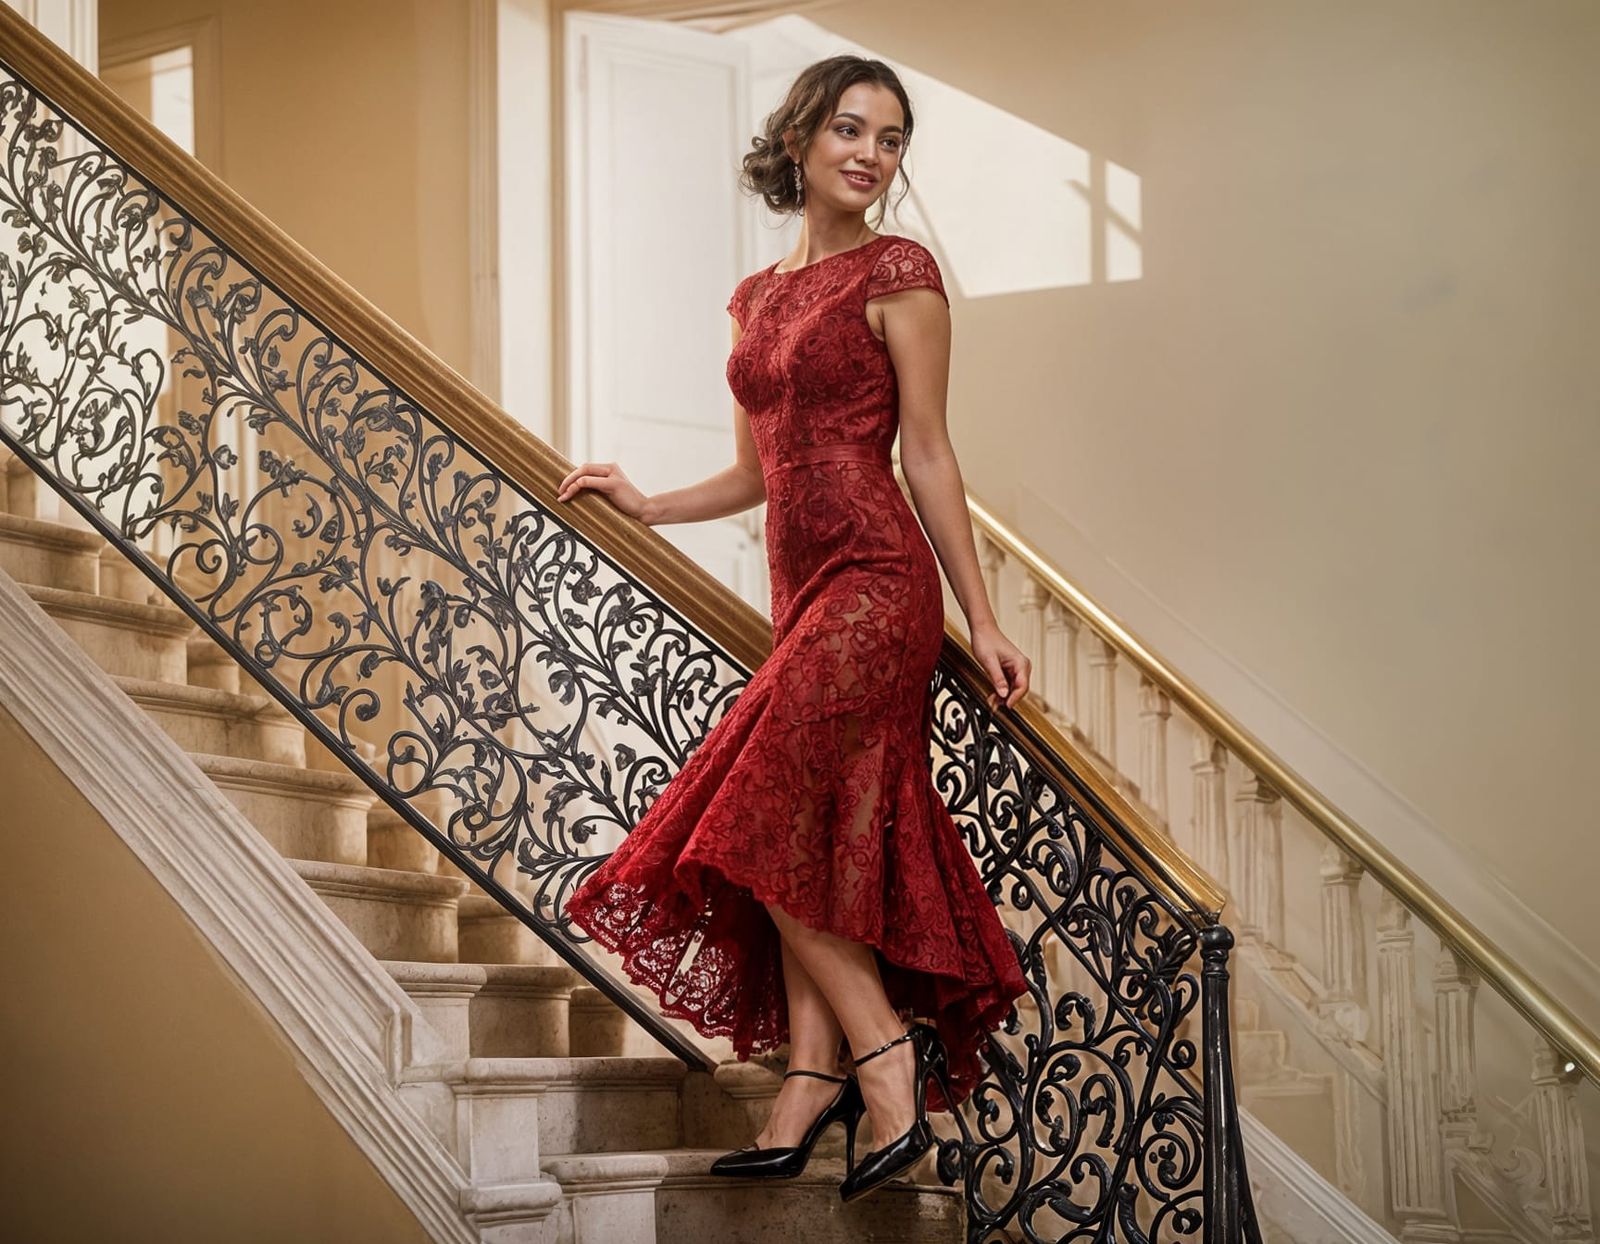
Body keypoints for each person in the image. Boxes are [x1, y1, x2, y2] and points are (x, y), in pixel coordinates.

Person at [559, 53, 1030, 1204]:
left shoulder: (900, 272)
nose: (871, 154)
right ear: (803, 138)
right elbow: (753, 469)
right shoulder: (757, 296)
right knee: (806, 834)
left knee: (753, 815)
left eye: (892, 138)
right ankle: (805, 1078)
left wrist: (982, 615)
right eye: (851, 130)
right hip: (800, 589)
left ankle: (880, 1057)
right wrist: (650, 502)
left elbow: (926, 451)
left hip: (877, 580)